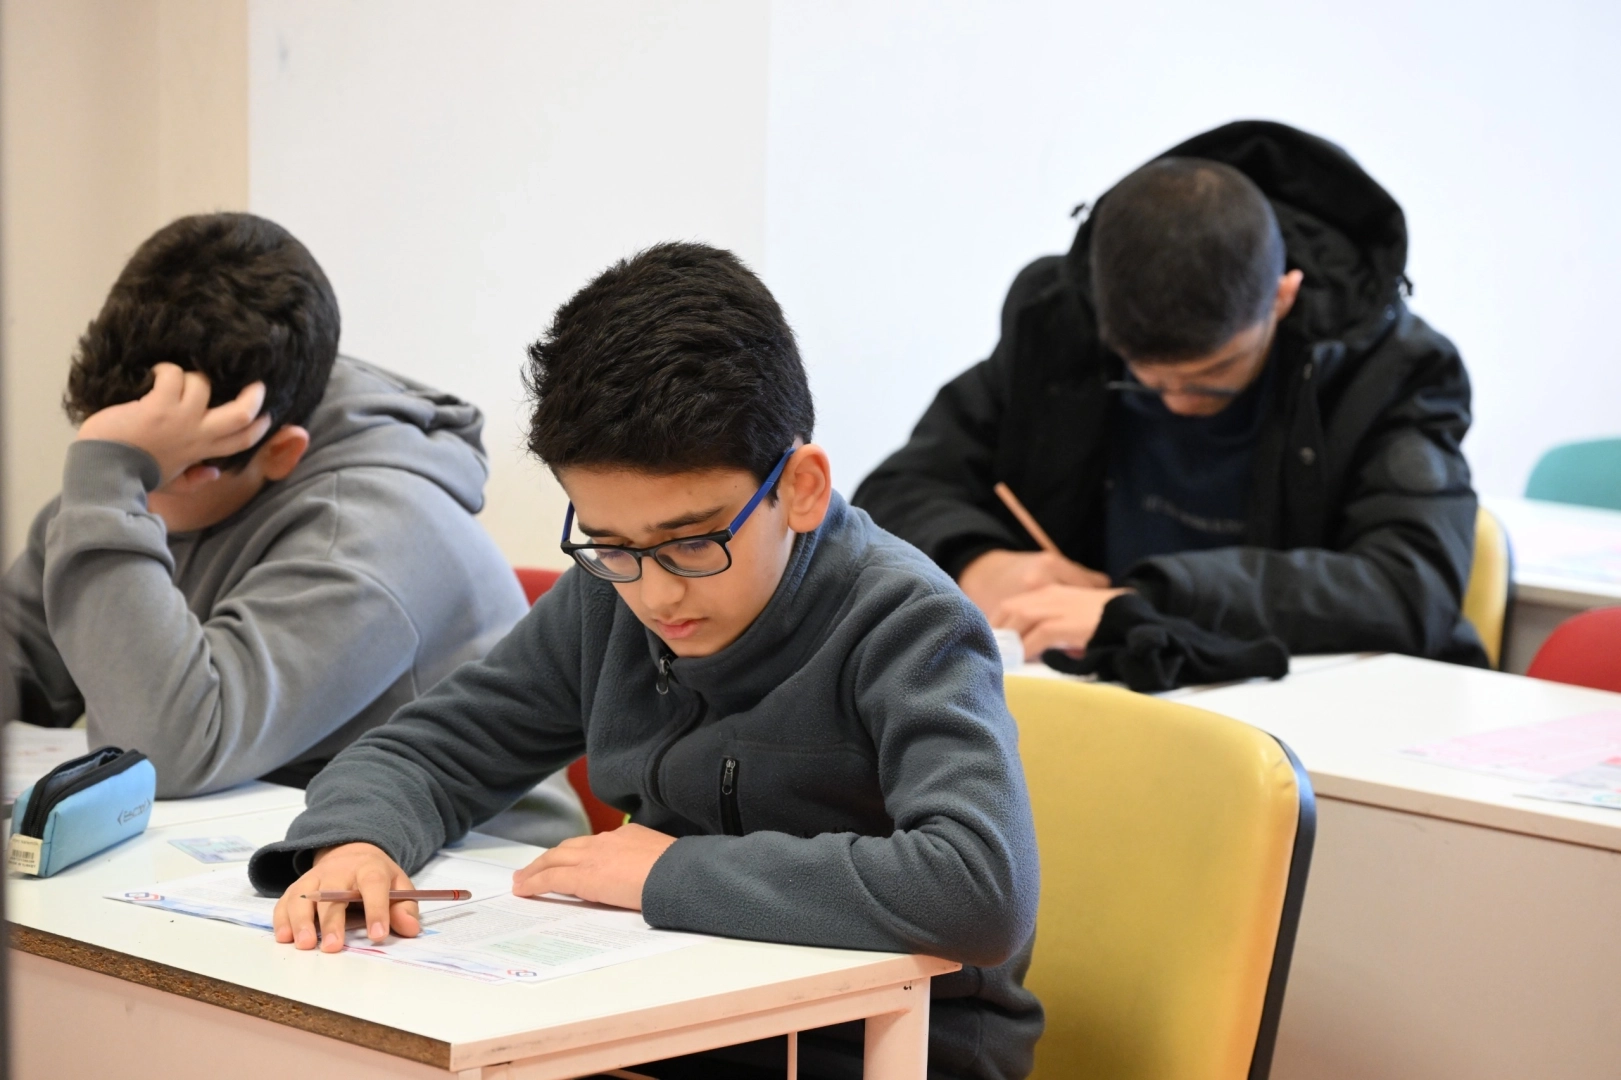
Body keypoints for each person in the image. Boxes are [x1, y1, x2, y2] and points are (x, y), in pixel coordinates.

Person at [247, 242, 1042, 1080]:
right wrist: (357, 841)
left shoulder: (905, 621)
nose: (656, 595)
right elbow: (427, 753)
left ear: (800, 488)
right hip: (663, 1024)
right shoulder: (609, 594)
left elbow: (979, 886)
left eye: (691, 542)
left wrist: (671, 872)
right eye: (611, 543)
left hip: (879, 1048)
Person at [5, 213, 583, 841]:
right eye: (119, 446)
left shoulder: (375, 528)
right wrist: (118, 472)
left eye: (160, 472)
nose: (134, 496)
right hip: (265, 847)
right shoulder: (148, 473)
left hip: (471, 868)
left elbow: (167, 752)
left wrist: (114, 475)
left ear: (280, 453)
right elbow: (20, 650)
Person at [853, 120, 1487, 667]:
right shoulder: (1061, 327)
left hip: (1328, 704)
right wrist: (979, 562)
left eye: (1213, 374)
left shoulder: (1394, 368)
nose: (1179, 403)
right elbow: (897, 491)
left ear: (1283, 296)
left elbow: (1411, 588)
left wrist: (1147, 605)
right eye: (1146, 379)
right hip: (1114, 689)